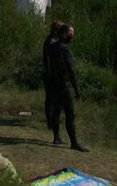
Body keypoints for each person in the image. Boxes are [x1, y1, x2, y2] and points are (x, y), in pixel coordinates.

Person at [43, 22, 87, 151]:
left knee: (56, 110)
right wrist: (77, 89)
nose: (71, 37)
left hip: (52, 82)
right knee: (70, 113)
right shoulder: (64, 49)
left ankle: (56, 137)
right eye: (70, 35)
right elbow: (71, 70)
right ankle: (74, 142)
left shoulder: (51, 46)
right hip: (62, 84)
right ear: (63, 34)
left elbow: (47, 64)